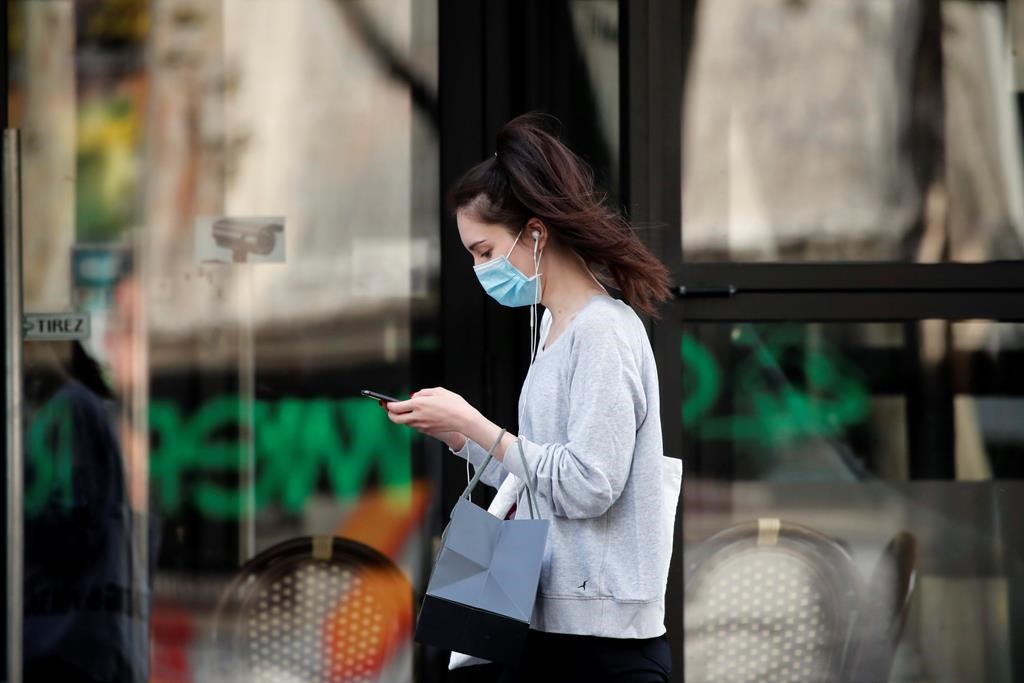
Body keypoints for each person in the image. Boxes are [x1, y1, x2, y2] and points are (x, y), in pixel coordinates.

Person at [385, 113, 680, 682]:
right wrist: (461, 437)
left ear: (536, 234)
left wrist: (478, 426)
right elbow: (542, 476)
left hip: (603, 643)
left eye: (484, 249)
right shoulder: (550, 326)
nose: (478, 269)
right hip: (547, 622)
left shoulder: (602, 332)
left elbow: (591, 484)